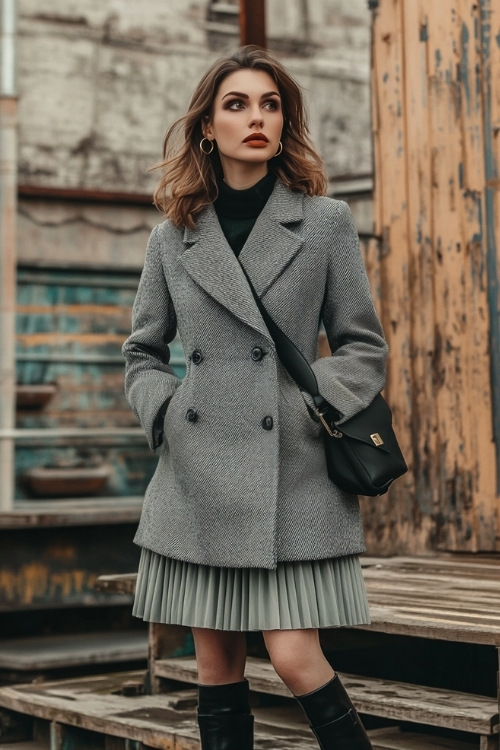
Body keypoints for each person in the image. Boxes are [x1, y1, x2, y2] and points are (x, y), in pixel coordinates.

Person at [123, 45, 387, 750]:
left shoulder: (324, 222)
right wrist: (170, 414)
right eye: (236, 104)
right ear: (208, 127)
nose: (256, 118)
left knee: (297, 656)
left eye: (269, 104)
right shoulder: (171, 236)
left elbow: (363, 346)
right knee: (216, 665)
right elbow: (143, 351)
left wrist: (312, 406)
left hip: (292, 473)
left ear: (284, 120)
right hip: (198, 472)